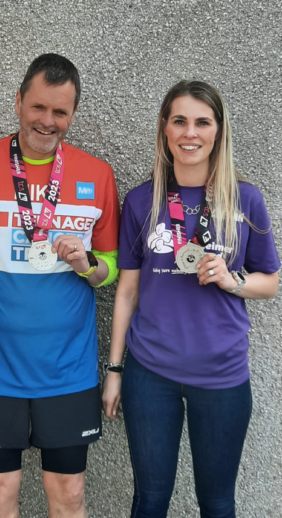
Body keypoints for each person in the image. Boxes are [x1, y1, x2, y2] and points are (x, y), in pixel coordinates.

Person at [0, 53, 120, 518]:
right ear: (18, 101)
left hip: (68, 371)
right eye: (38, 107)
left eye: (60, 111)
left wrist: (87, 264)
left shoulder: (97, 175)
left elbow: (112, 271)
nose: (48, 121)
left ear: (73, 114)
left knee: (69, 498)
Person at [102, 80, 280, 518]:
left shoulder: (245, 199)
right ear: (165, 128)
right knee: (150, 500)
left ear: (218, 131)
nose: (190, 133)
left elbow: (270, 282)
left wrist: (232, 281)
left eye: (202, 122)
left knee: (217, 503)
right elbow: (127, 291)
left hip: (221, 375)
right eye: (179, 121)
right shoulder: (142, 201)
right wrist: (115, 370)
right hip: (151, 375)